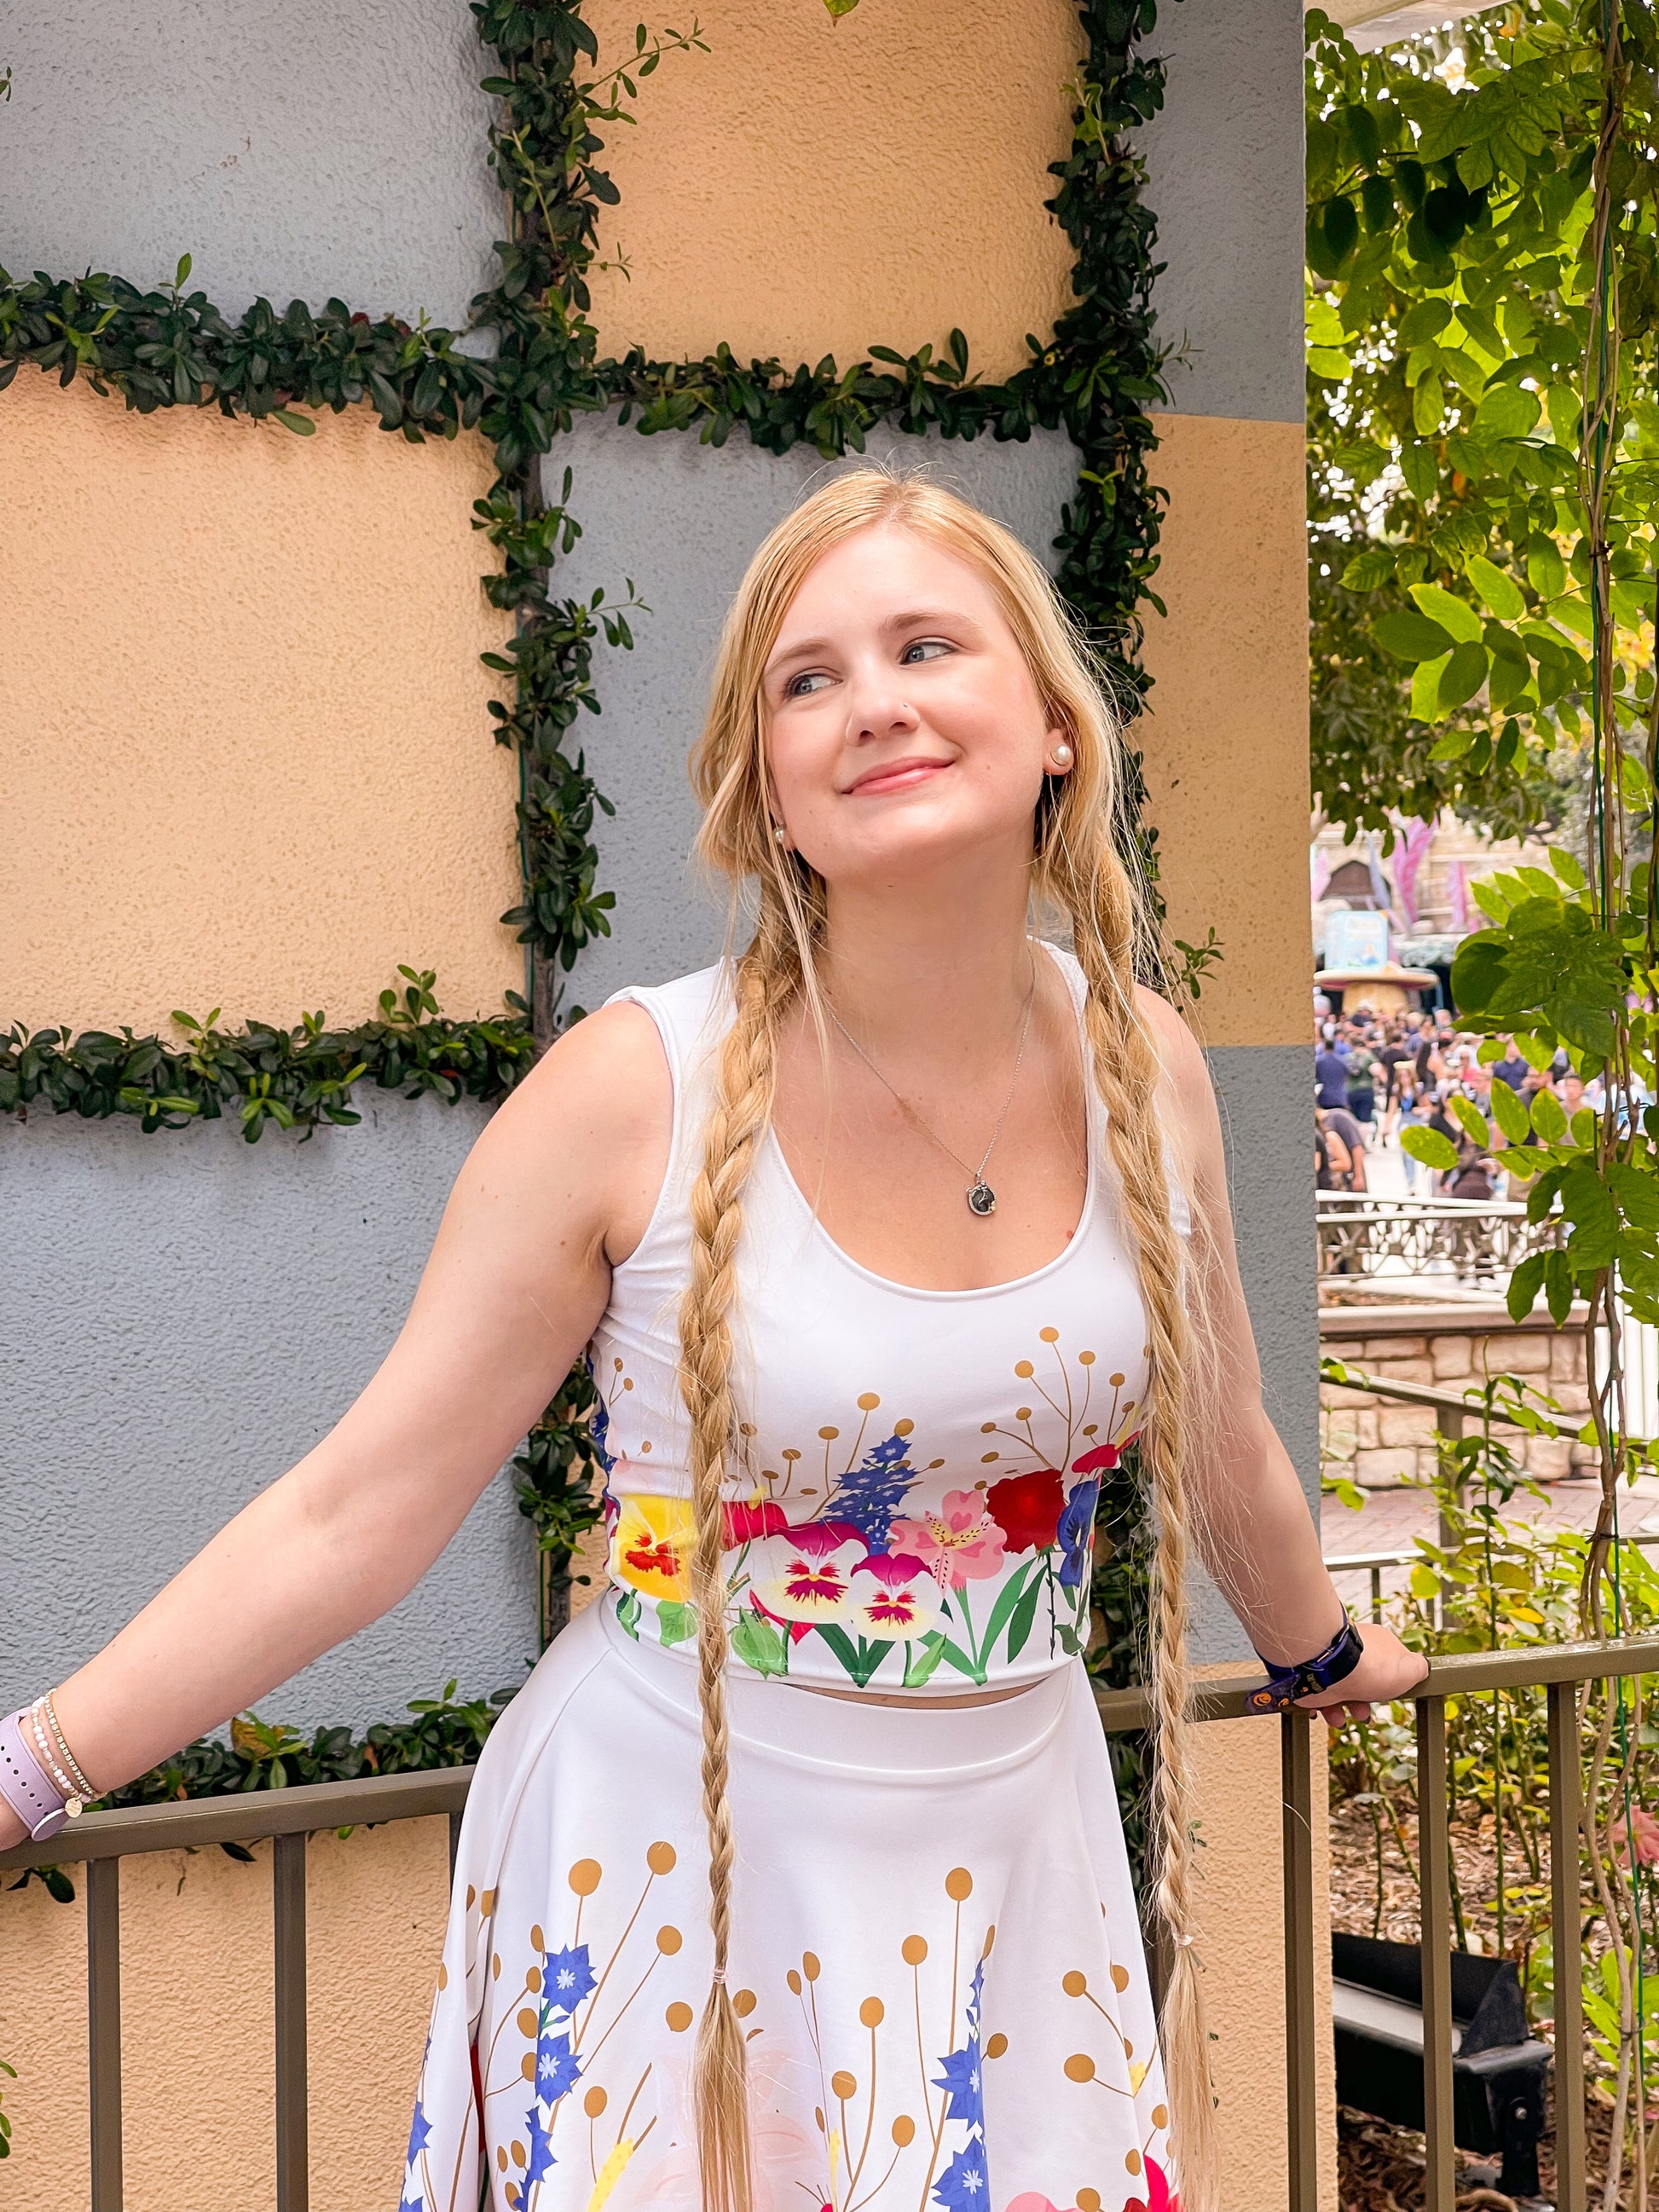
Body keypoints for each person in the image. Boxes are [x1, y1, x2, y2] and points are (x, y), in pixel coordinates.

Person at [0, 474, 1424, 2212]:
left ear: (1055, 724)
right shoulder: (632, 1091)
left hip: (1015, 1860)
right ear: (764, 788)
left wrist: (1314, 1651)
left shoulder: (1151, 1065)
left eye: (925, 644)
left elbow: (1224, 1443)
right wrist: (31, 1766)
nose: (873, 700)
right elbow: (352, 1508)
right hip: (676, 1849)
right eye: (806, 679)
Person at [1315, 1029, 1350, 1111]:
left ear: (1324, 1047)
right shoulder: (1342, 1061)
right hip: (1340, 1097)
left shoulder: (1319, 1061)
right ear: (1334, 1047)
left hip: (1324, 1097)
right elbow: (1347, 1076)